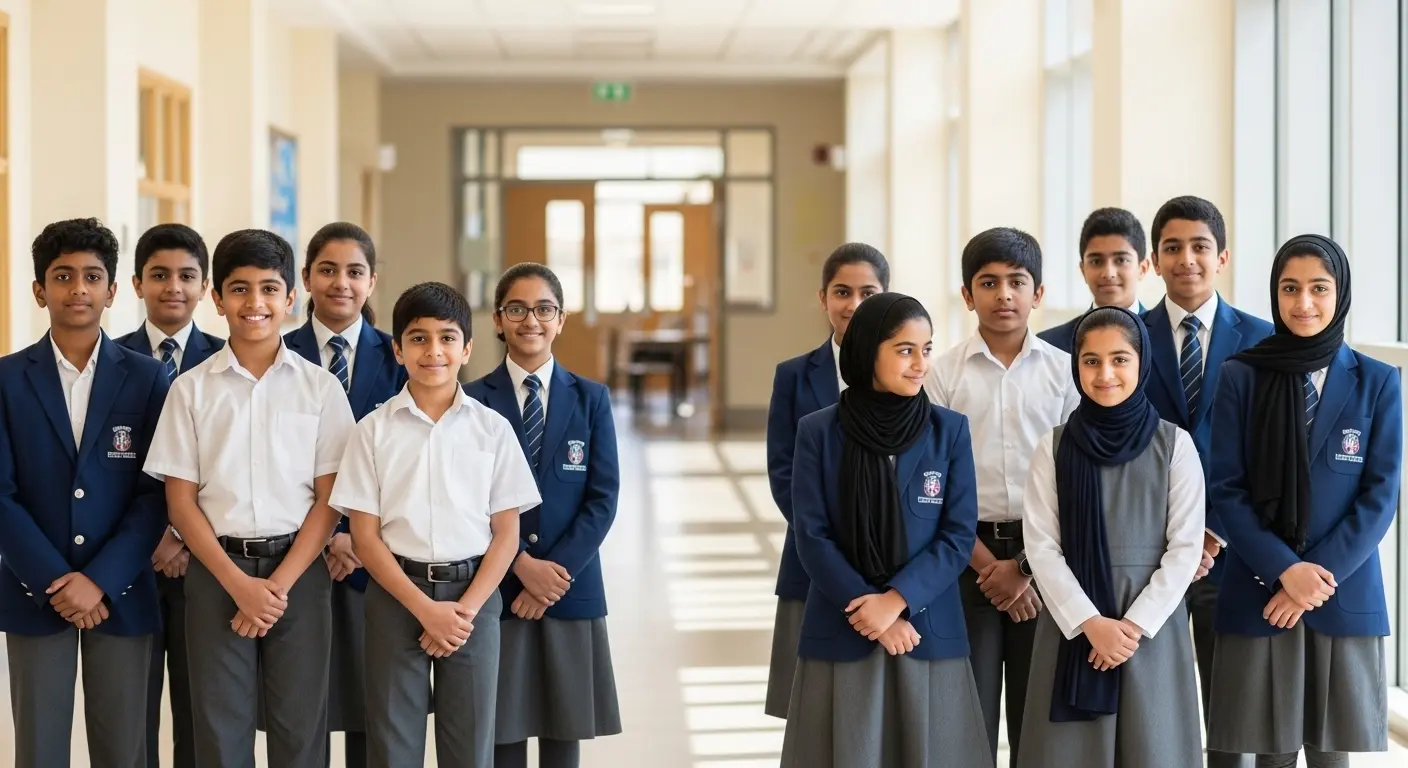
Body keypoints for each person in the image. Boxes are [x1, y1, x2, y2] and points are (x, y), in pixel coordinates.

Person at [144, 229, 356, 767]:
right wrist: (239, 585)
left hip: (300, 574)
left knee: (300, 731)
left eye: (269, 289)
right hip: (216, 574)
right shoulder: (190, 390)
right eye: (239, 289)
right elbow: (181, 503)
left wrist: (276, 588)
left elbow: (330, 502)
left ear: (291, 299)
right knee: (220, 731)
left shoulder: (321, 389)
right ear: (217, 299)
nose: (254, 302)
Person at [1207, 236, 1399, 768]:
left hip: (1342, 591)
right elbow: (1227, 487)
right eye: (1290, 288)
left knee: (1331, 756)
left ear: (1341, 293)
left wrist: (1312, 581)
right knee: (1270, 753)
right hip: (1260, 589)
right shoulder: (1241, 376)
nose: (1304, 302)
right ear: (1275, 294)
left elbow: (1380, 496)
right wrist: (1284, 572)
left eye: (1319, 288)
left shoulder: (1377, 380)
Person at [334, 282, 543, 767]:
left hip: (474, 599)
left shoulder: (493, 430)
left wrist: (462, 612)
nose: (434, 351)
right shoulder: (372, 431)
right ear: (398, 350)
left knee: (470, 747)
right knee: (392, 746)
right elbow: (364, 536)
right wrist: (425, 610)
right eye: (419, 338)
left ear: (466, 348)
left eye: (447, 338)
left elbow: (506, 534)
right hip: (395, 597)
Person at [780, 292, 991, 768]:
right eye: (904, 350)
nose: (920, 364)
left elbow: (957, 536)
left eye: (927, 349)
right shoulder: (818, 431)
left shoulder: (949, 430)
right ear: (867, 351)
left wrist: (895, 603)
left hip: (925, 628)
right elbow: (811, 535)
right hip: (843, 624)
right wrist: (867, 608)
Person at [0, 218, 170, 768]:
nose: (78, 288)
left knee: (124, 749)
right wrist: (55, 580)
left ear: (112, 290)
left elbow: (155, 493)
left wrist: (100, 580)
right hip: (35, 591)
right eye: (63, 276)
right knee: (39, 749)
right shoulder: (6, 379)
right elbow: (1, 495)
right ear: (39, 290)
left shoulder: (147, 378)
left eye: (92, 277)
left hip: (121, 590)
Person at [1017, 306, 1206, 768]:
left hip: (1151, 626)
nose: (1105, 374)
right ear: (1076, 366)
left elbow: (1185, 548)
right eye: (1091, 361)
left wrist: (1132, 627)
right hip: (1075, 624)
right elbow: (1042, 547)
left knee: (1154, 750)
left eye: (1120, 359)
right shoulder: (1053, 447)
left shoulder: (1175, 444)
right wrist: (1091, 624)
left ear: (1142, 363)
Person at [925, 227, 1079, 765]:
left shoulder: (1066, 372)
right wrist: (990, 567)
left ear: (1039, 293)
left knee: (1038, 721)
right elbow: (934, 481)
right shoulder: (942, 376)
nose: (1004, 294)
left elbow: (1075, 479)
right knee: (968, 714)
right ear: (967, 295)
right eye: (988, 283)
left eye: (1017, 281)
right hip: (964, 559)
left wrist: (1026, 566)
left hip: (1046, 560)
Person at [466, 263, 623, 768]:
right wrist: (520, 565)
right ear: (497, 319)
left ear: (561, 319)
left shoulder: (591, 399)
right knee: (502, 730)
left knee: (563, 728)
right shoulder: (472, 401)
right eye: (516, 309)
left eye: (543, 309)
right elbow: (467, 500)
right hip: (498, 586)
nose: (530, 320)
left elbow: (602, 497)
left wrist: (553, 575)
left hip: (568, 586)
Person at [1139, 195, 1271, 768]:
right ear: (1154, 260)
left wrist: (1211, 533)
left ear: (1222, 257)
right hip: (1147, 549)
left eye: (1200, 246)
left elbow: (1270, 453)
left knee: (1231, 704)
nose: (1186, 259)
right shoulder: (1129, 338)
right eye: (1173, 247)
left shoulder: (1264, 340)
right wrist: (1178, 538)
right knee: (1151, 702)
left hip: (1232, 551)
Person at [283, 221, 405, 767]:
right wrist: (328, 534)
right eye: (327, 270)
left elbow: (411, 461)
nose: (341, 283)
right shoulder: (276, 353)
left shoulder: (402, 356)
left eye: (355, 272)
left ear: (372, 281)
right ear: (307, 277)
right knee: (300, 708)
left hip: (377, 557)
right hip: (297, 554)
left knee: (372, 708)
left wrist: (357, 534)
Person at [763, 241, 889, 719]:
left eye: (867, 293)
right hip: (813, 557)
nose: (854, 305)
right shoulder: (793, 376)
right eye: (842, 292)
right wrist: (828, 541)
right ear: (823, 298)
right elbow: (783, 472)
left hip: (888, 564)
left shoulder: (907, 372)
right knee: (811, 705)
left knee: (876, 705)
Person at [116, 222, 225, 768]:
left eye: (186, 276)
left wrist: (183, 534)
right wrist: (155, 536)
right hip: (129, 562)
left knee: (201, 711)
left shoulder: (228, 361)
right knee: (130, 714)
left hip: (206, 560)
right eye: (159, 275)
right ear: (138, 283)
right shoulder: (109, 360)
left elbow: (229, 468)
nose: (173, 287)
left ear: (205, 286)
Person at [1038, 208, 1150, 354]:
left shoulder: (1169, 338)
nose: (1108, 273)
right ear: (1083, 270)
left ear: (1142, 268)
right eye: (1096, 261)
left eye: (1121, 260)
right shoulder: (1050, 347)